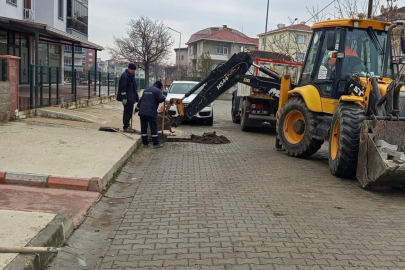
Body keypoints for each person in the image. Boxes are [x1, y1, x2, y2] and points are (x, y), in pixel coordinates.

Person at [135, 81, 167, 148]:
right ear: (159, 87)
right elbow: (160, 99)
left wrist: (136, 109)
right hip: (151, 112)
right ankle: (156, 143)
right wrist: (164, 94)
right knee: (153, 127)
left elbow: (140, 101)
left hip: (142, 112)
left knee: (143, 127)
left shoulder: (146, 90)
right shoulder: (157, 91)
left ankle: (145, 144)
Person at [117, 63, 139, 133]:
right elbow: (123, 88)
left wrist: (136, 98)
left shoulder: (131, 76)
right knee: (127, 112)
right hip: (127, 98)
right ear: (129, 69)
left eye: (134, 70)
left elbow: (134, 88)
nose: (133, 71)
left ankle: (128, 125)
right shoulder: (125, 76)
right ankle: (126, 126)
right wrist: (124, 98)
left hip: (131, 97)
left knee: (129, 112)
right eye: (132, 70)